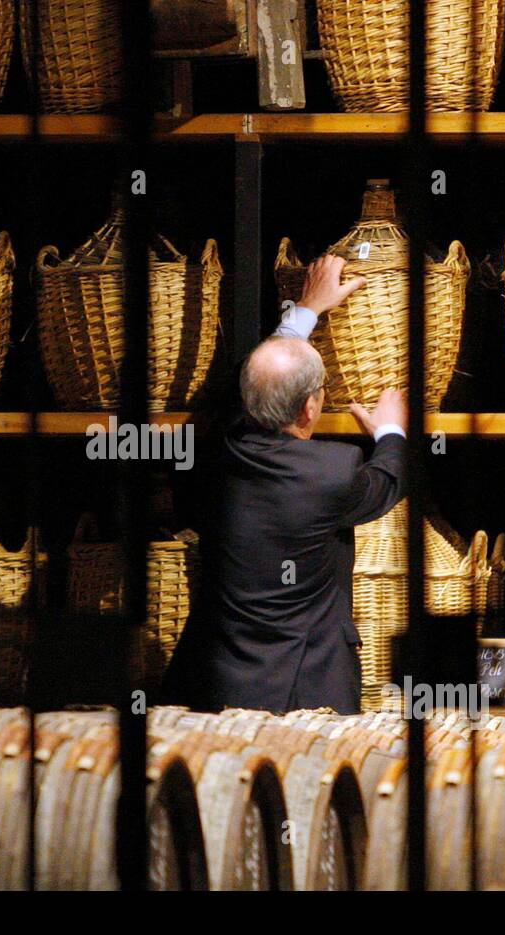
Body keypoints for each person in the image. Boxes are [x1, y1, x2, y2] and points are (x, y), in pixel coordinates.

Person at [161, 255, 408, 714]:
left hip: (215, 688)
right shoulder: (332, 473)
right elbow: (387, 481)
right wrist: (391, 431)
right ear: (310, 410)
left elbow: (244, 393)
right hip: (307, 694)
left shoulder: (210, 454)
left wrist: (305, 310)